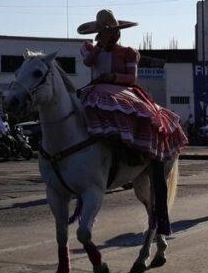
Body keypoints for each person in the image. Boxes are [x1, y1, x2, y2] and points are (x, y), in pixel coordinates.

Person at [77, 9, 188, 161]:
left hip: (121, 89)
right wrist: (100, 46)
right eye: (108, 32)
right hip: (94, 88)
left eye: (115, 32)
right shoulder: (89, 48)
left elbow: (131, 78)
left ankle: (133, 151)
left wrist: (113, 76)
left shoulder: (128, 52)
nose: (113, 36)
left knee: (130, 110)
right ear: (99, 34)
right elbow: (88, 62)